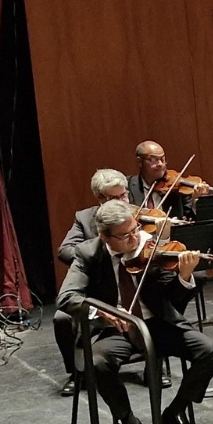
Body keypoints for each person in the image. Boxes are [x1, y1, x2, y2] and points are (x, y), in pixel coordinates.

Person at [57, 200, 213, 424]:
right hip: (115, 330)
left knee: (210, 349)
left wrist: (185, 276)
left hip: (157, 323)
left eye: (136, 229)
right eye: (125, 235)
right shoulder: (88, 254)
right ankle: (129, 422)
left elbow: (174, 300)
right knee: (98, 363)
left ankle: (175, 412)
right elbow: (67, 297)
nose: (135, 238)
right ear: (105, 237)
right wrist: (104, 312)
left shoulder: (152, 248)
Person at [53, 168, 130, 396]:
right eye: (115, 198)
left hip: (130, 287)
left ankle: (155, 366)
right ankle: (77, 373)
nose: (123, 201)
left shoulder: (135, 216)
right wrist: (96, 254)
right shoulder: (85, 219)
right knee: (61, 318)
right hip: (95, 292)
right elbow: (64, 250)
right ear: (100, 199)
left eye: (124, 195)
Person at [127, 140, 213, 218]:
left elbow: (190, 218)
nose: (161, 164)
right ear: (139, 162)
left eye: (162, 159)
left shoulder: (177, 189)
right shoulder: (127, 185)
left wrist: (197, 200)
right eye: (154, 160)